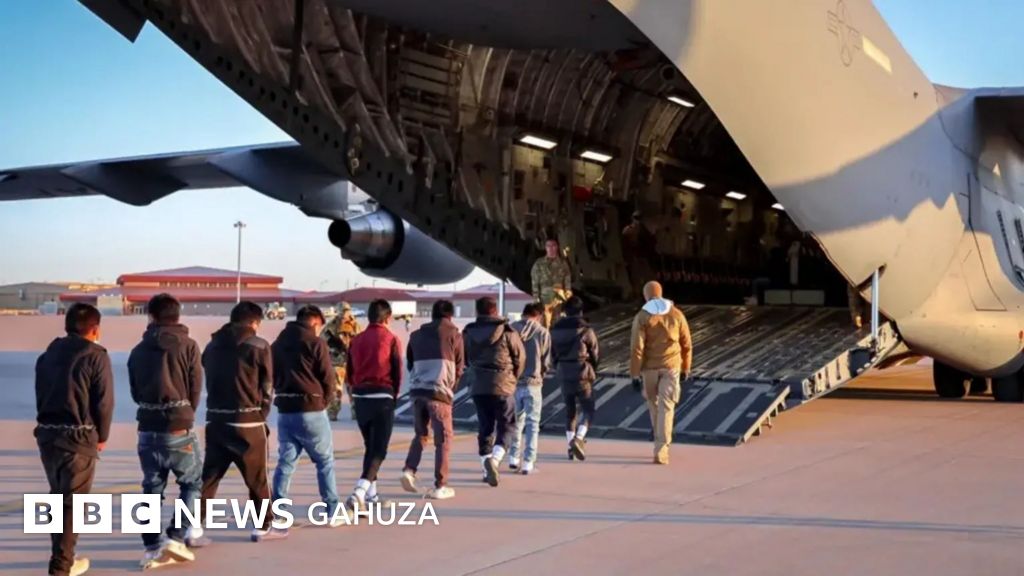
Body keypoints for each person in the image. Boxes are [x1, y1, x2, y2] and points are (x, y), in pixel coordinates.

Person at [127, 294, 209, 569]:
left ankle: (151, 546)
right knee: (192, 483)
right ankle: (175, 536)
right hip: (178, 424)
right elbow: (195, 387)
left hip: (147, 425)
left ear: (151, 316)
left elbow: (135, 392)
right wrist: (185, 412)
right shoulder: (189, 346)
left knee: (152, 487)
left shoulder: (138, 350)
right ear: (177, 316)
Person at [35, 303, 113, 576]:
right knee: (72, 503)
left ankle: (65, 557)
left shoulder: (47, 355)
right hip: (78, 437)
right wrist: (102, 435)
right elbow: (104, 402)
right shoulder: (96, 356)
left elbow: (40, 395)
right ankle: (61, 566)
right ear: (95, 329)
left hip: (48, 435)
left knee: (59, 498)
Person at [200, 301, 281, 542]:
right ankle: (263, 526)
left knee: (209, 478)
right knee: (257, 478)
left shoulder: (212, 345)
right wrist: (261, 413)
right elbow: (267, 385)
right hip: (248, 421)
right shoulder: (259, 345)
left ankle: (192, 526)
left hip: (216, 419)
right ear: (254, 322)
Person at [270, 305, 342, 533]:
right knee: (324, 461)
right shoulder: (316, 343)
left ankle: (279, 513)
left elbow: (270, 375)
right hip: (311, 408)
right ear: (314, 322)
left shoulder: (277, 344)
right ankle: (332, 511)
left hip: (285, 410)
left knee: (286, 463)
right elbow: (328, 377)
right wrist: (324, 401)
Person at [401, 299, 464, 500]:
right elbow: (460, 368)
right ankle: (440, 485)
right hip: (439, 393)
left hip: (417, 392)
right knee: (443, 440)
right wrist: (450, 389)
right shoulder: (455, 335)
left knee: (420, 434)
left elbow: (410, 364)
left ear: (432, 314)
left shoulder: (415, 335)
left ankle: (409, 470)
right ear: (450, 315)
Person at [345, 299, 402, 510]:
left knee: (370, 446)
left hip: (360, 396)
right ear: (388, 318)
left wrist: (353, 392)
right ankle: (359, 492)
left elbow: (349, 371)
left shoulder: (356, 340)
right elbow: (397, 370)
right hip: (382, 395)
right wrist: (394, 395)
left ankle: (372, 495)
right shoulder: (391, 339)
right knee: (379, 450)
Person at [463, 296, 525, 487]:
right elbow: (520, 358)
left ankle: (486, 467)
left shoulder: (468, 332)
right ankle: (495, 461)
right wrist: (513, 378)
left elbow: (464, 358)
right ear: (495, 310)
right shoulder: (507, 331)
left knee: (485, 426)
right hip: (503, 384)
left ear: (477, 311)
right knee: (508, 425)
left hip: (478, 385)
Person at [629, 281, 692, 465]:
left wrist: (634, 374)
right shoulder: (677, 314)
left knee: (654, 404)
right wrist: (686, 367)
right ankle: (661, 449)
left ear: (646, 296)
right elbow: (687, 344)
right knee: (667, 407)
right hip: (672, 367)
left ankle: (658, 441)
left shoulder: (642, 317)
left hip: (649, 369)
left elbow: (636, 348)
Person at [550, 296, 600, 462]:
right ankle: (579, 438)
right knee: (588, 409)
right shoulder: (586, 330)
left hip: (563, 372)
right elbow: (595, 353)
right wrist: (593, 368)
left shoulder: (555, 329)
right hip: (582, 372)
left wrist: (558, 366)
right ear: (581, 311)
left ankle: (571, 447)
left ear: (565, 311)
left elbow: (552, 354)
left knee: (570, 411)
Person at [507, 302, 551, 474]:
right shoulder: (543, 332)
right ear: (538, 316)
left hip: (513, 383)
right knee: (533, 424)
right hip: (533, 383)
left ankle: (513, 457)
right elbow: (546, 361)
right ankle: (528, 462)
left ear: (523, 313)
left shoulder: (511, 329)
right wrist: (540, 375)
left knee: (515, 421)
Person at [322, 302, 361, 421]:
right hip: (337, 362)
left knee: (354, 389)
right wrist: (333, 346)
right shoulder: (331, 326)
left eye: (346, 311)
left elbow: (361, 341)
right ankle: (332, 413)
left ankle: (356, 412)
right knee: (335, 389)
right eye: (342, 311)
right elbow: (322, 342)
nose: (344, 314)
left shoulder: (355, 325)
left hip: (352, 362)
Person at [531, 238, 573, 328]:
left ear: (557, 247)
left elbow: (567, 278)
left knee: (558, 324)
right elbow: (535, 281)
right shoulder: (539, 264)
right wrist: (536, 298)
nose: (551, 248)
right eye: (548, 246)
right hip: (544, 299)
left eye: (553, 246)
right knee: (544, 324)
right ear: (545, 248)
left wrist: (568, 292)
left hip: (559, 298)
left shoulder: (562, 263)